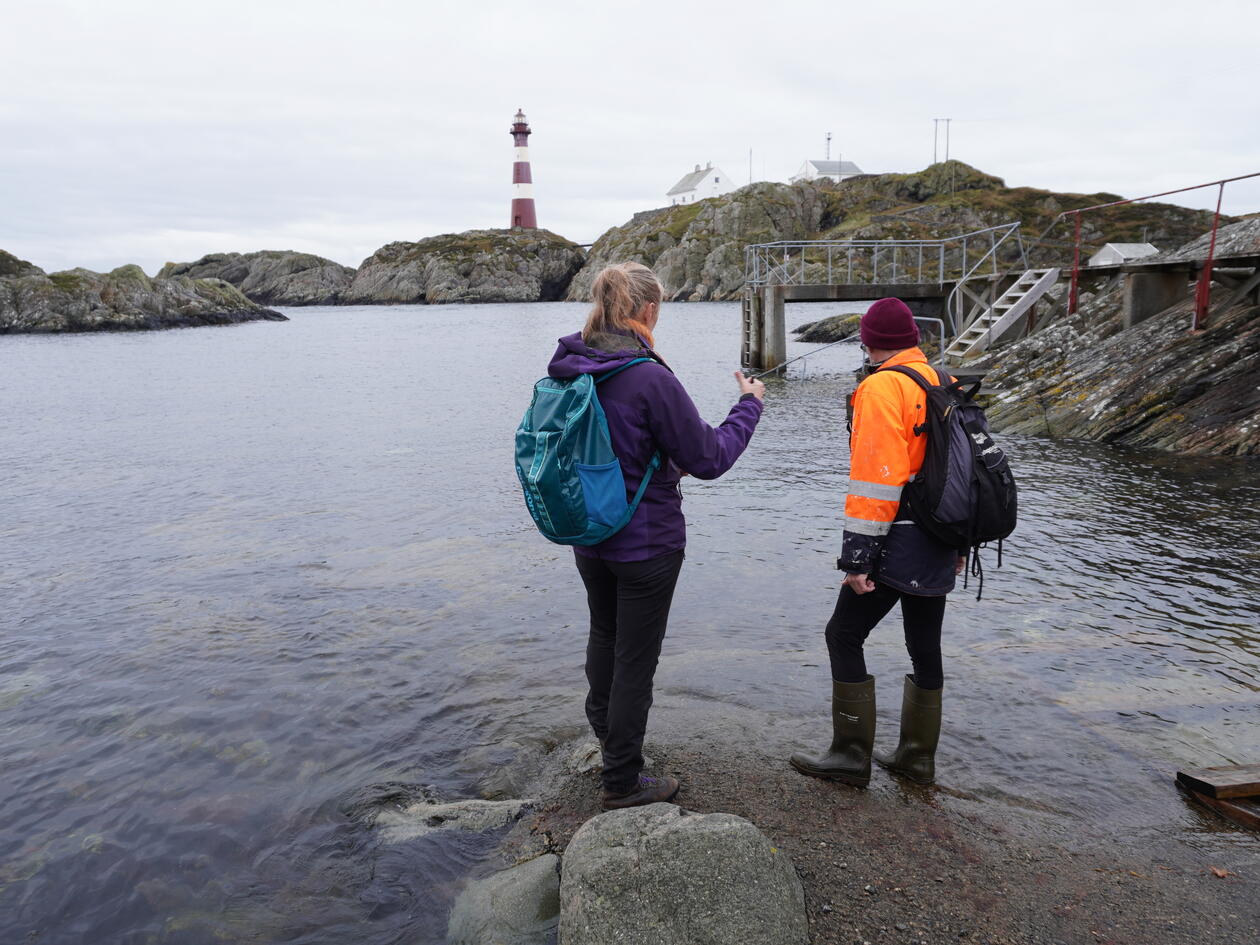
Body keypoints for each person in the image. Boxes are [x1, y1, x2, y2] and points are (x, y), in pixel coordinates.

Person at [547, 262, 765, 810]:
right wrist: (749, 406)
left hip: (589, 532)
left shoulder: (571, 365)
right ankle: (622, 780)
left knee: (605, 635)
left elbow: (609, 444)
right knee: (635, 662)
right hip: (646, 541)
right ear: (647, 311)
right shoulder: (649, 375)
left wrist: (662, 458)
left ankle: (607, 737)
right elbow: (710, 457)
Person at [790, 297, 964, 788]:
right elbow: (960, 473)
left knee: (843, 634)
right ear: (913, 339)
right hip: (943, 534)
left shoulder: (880, 387)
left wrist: (858, 559)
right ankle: (917, 758)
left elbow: (876, 481)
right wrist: (961, 546)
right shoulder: (941, 380)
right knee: (924, 645)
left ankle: (850, 755)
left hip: (899, 538)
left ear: (869, 342)